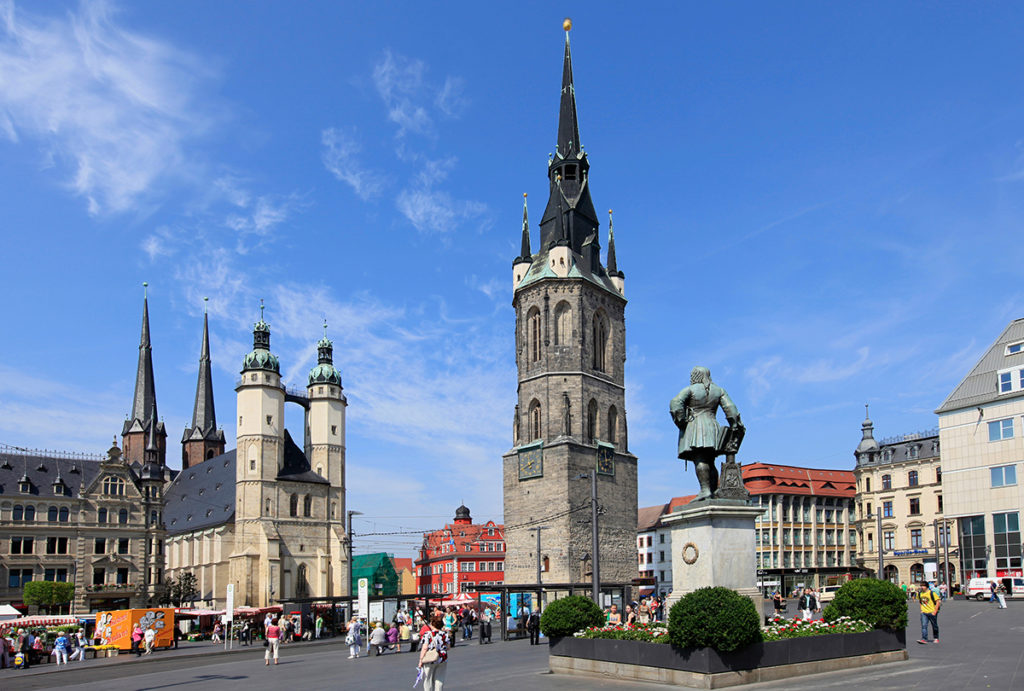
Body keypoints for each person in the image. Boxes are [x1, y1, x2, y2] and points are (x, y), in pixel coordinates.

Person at [418, 616, 449, 691]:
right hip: (442, 658)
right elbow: (448, 647)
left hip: (430, 659)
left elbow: (425, 648)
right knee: (439, 679)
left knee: (428, 679)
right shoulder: (444, 634)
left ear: (432, 624)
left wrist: (421, 660)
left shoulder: (428, 634)